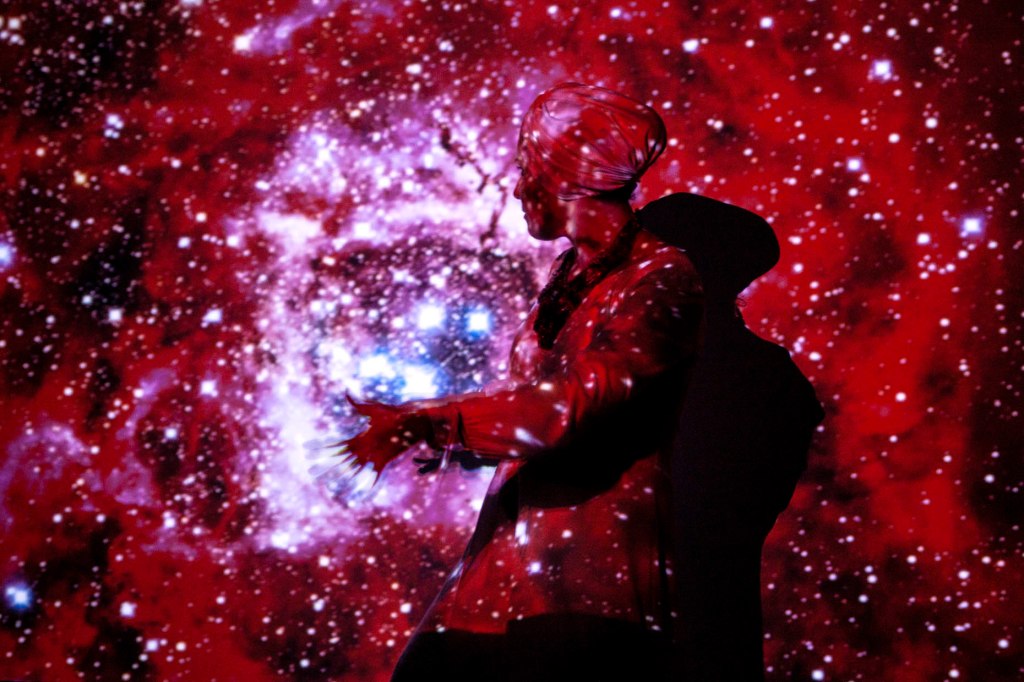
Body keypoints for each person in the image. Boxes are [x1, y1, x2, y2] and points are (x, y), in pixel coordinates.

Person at [336, 82, 703, 681]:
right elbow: (537, 403)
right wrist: (454, 437)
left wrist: (438, 423)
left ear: (574, 176)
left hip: (588, 576)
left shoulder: (661, 278)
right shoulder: (568, 275)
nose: (515, 188)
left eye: (528, 169)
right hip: (508, 564)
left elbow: (572, 409)